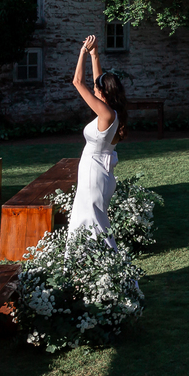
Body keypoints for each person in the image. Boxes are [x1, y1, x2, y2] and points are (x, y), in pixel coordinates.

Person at [69, 35, 128, 249]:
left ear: (103, 93)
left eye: (97, 89)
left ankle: (112, 271)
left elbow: (77, 82)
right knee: (92, 222)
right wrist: (95, 55)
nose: (94, 89)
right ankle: (88, 269)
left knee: (94, 225)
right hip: (99, 172)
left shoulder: (105, 113)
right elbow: (97, 81)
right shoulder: (112, 112)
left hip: (94, 173)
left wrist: (83, 52)